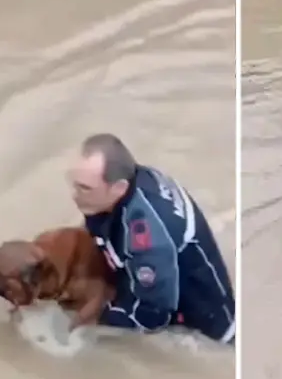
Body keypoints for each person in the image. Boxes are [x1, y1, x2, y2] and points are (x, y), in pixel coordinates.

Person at [69, 134, 236, 343]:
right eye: (74, 183)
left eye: (85, 188)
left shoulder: (148, 240)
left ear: (118, 188)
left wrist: (94, 322)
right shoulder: (129, 180)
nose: (75, 195)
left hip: (204, 324)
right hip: (160, 278)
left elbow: (152, 315)